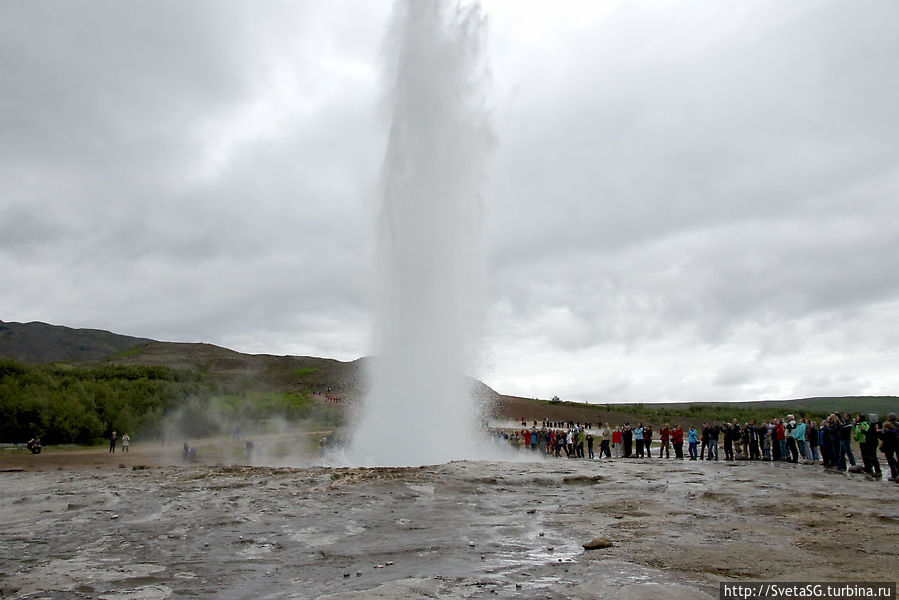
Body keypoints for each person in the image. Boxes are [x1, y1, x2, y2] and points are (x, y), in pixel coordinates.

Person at [855, 414, 882, 478]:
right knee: (871, 456)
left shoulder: (873, 426)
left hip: (872, 443)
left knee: (873, 457)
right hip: (872, 442)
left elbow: (870, 434)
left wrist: (862, 430)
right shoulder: (876, 425)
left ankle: (877, 471)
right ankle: (873, 469)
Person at [879, 413, 898, 482]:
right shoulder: (897, 425)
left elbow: (883, 437)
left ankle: (894, 475)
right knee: (893, 458)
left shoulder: (887, 426)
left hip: (889, 445)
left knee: (890, 459)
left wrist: (880, 433)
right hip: (896, 444)